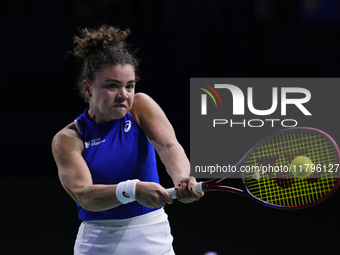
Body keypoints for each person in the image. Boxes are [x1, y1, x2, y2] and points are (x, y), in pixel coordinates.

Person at [51, 25, 202, 255]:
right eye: (112, 86)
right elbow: (85, 195)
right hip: (98, 243)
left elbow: (169, 146)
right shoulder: (68, 139)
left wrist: (182, 178)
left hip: (153, 238)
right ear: (88, 88)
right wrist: (132, 190)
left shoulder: (140, 106)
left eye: (129, 85)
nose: (124, 95)